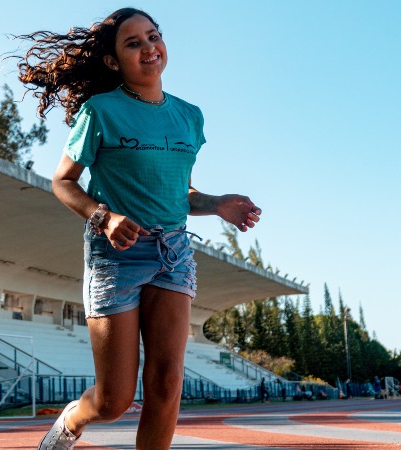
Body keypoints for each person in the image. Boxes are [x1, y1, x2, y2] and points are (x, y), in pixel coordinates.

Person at [17, 8, 261, 450]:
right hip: (116, 258)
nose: (150, 48)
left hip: (173, 253)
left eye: (154, 36)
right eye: (134, 43)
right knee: (113, 401)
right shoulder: (100, 111)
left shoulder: (190, 116)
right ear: (113, 61)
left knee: (167, 384)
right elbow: (62, 182)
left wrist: (216, 204)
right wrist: (103, 217)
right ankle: (70, 423)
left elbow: (176, 193)